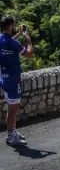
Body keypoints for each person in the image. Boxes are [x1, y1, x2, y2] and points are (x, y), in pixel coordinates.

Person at [0, 16, 34, 146]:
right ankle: (11, 136)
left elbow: (9, 44)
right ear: (11, 26)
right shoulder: (13, 43)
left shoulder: (1, 39)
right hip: (14, 79)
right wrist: (28, 39)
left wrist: (19, 34)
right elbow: (30, 54)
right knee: (13, 109)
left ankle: (13, 132)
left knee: (12, 106)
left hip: (4, 77)